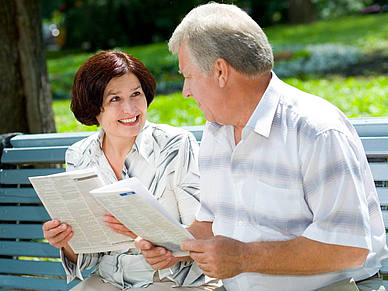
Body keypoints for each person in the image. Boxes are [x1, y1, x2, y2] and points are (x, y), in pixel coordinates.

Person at [134, 3, 388, 291]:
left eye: (188, 76)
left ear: (220, 72)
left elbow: (347, 247)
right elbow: (210, 225)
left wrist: (244, 258)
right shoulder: (217, 132)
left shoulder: (315, 130)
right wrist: (170, 246)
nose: (185, 92)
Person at [42, 51, 221, 291]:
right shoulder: (79, 155)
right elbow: (89, 254)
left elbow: (201, 234)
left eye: (136, 94)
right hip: (109, 280)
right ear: (94, 106)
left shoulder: (175, 145)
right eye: (114, 99)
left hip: (172, 280)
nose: (130, 109)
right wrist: (65, 242)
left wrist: (165, 249)